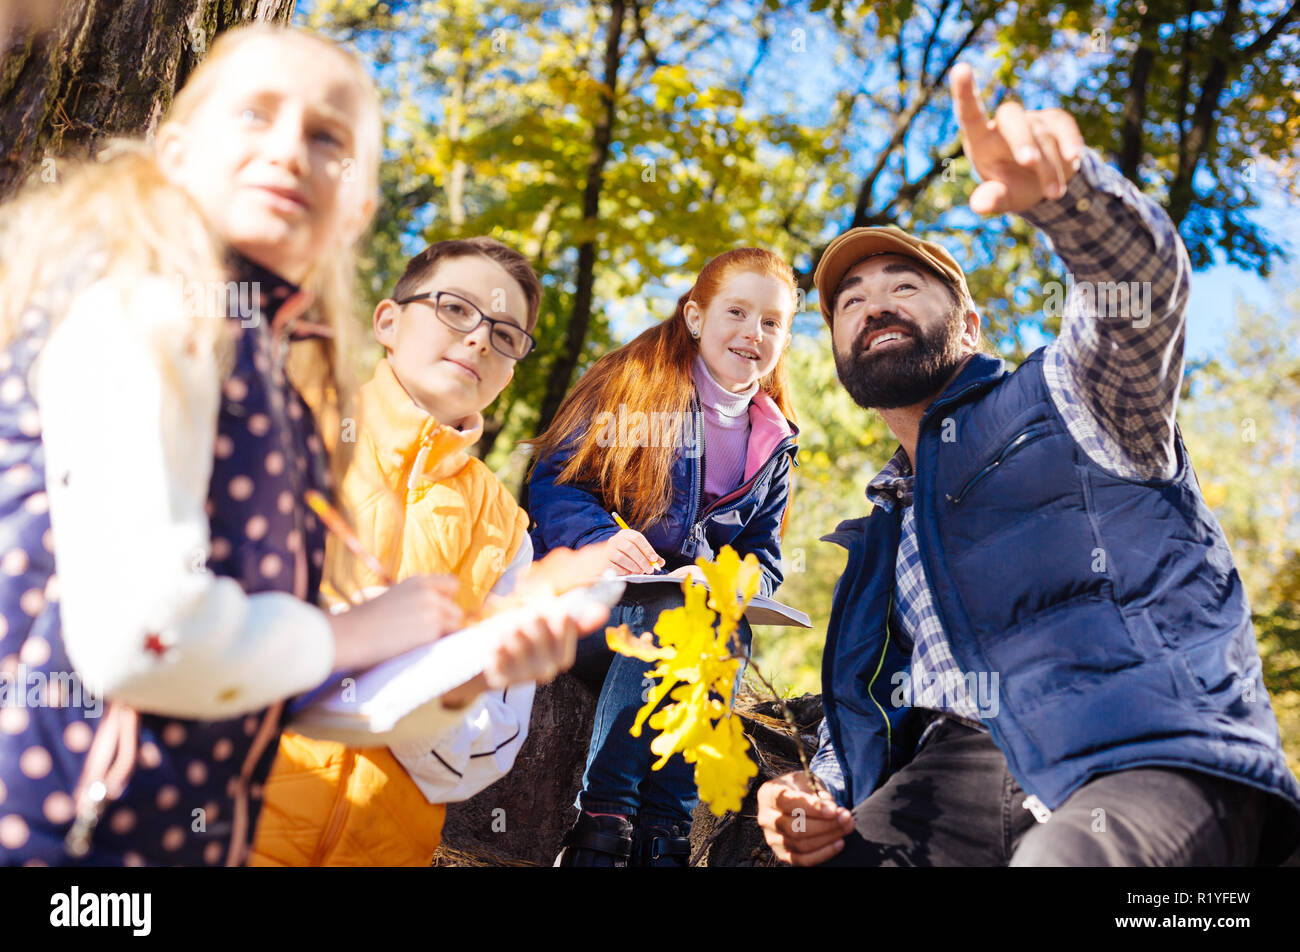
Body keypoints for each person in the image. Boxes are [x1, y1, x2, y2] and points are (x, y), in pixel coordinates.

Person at [0, 25, 590, 867]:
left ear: (355, 205)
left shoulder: (269, 384)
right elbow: (142, 636)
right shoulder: (148, 308)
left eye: (327, 139)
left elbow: (280, 686)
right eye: (254, 113)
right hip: (61, 834)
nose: (288, 150)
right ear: (175, 148)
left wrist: (460, 680)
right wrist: (354, 634)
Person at [756, 63, 1300, 867]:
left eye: (903, 285)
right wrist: (809, 802)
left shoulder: (1070, 397)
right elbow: (873, 718)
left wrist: (1067, 199)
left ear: (970, 324)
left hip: (1139, 747)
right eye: (849, 303)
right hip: (952, 782)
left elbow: (1136, 291)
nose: (873, 306)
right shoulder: (882, 539)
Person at [249, 237, 591, 866]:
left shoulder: (506, 528)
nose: (480, 339)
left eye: (506, 334)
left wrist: (439, 696)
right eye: (456, 308)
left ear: (512, 367)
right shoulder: (289, 428)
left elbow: (495, 742)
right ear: (388, 319)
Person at [529, 248, 800, 865]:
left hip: (690, 638)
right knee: (670, 615)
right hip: (593, 612)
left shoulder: (775, 440)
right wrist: (601, 540)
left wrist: (735, 583)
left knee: (715, 626)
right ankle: (602, 824)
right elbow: (552, 483)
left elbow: (763, 554)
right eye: (737, 311)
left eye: (772, 322)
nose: (753, 333)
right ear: (696, 317)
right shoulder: (634, 387)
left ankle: (664, 837)